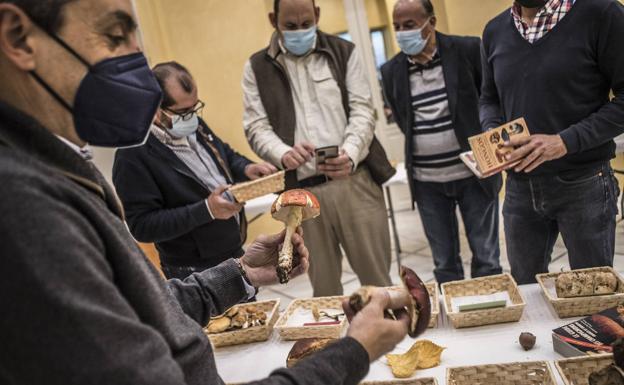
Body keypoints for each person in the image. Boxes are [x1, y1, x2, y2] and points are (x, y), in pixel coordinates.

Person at [0, 1, 412, 384]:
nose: (137, 60)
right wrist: (354, 351)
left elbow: (144, 304)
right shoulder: (25, 206)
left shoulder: (58, 165)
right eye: (114, 35)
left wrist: (241, 273)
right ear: (18, 38)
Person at [243, 0, 396, 296]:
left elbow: (364, 110)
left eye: (306, 23)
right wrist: (282, 152)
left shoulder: (343, 52)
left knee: (377, 284)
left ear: (317, 15)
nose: (300, 31)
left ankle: (388, 339)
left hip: (354, 182)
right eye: (290, 26)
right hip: (301, 197)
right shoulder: (256, 67)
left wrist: (349, 154)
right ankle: (335, 344)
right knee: (324, 291)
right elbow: (255, 126)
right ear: (274, 19)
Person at [480, 0, 624, 284]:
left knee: (593, 293)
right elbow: (489, 98)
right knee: (525, 289)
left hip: (584, 183)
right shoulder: (495, 30)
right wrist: (493, 133)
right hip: (519, 187)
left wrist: (564, 141)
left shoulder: (602, 14)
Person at [113, 61, 277, 280]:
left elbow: (224, 155)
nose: (191, 116)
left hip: (232, 249)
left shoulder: (194, 124)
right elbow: (142, 226)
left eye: (194, 108)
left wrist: (247, 168)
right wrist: (206, 209)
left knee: (250, 314)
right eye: (183, 112)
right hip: (193, 269)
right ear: (154, 108)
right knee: (218, 316)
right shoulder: (133, 155)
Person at [381, 0, 502, 284]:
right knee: (444, 264)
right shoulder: (390, 71)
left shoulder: (468, 50)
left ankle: (490, 318)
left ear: (431, 23)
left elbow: (491, 101)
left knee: (486, 258)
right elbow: (403, 120)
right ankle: (455, 320)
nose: (401, 33)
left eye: (409, 25)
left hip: (475, 174)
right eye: (397, 27)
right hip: (426, 183)